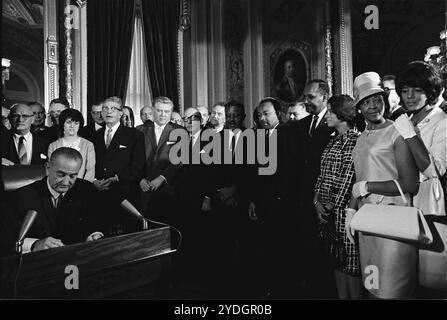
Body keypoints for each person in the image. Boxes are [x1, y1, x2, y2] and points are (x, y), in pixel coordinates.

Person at [347, 71, 418, 299]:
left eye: (378, 99)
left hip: (393, 222)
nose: (374, 106)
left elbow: (410, 183)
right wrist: (351, 210)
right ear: (359, 108)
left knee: (392, 289)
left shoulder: (397, 132)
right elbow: (358, 180)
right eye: (366, 102)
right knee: (372, 284)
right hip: (368, 222)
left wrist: (368, 187)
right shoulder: (360, 138)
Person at [0, 147, 104, 255]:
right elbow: (5, 238)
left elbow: (97, 222)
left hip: (78, 257)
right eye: (60, 175)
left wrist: (95, 234)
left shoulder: (87, 190)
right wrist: (35, 244)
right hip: (39, 261)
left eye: (73, 176)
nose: (66, 182)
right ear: (48, 167)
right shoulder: (21, 197)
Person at [313, 95, 362, 299]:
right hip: (326, 212)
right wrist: (316, 201)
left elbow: (348, 177)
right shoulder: (332, 139)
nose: (328, 115)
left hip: (344, 213)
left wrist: (331, 205)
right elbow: (321, 174)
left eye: (331, 111)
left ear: (342, 114)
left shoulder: (355, 139)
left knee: (350, 265)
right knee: (336, 260)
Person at [394, 61, 446, 216]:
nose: (410, 96)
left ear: (430, 92)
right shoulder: (406, 119)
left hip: (428, 206)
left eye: (417, 90)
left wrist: (411, 135)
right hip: (401, 202)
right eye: (405, 90)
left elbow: (434, 172)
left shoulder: (442, 121)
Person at [93, 96, 145, 212]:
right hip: (100, 194)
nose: (108, 111)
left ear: (120, 114)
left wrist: (116, 178)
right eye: (105, 108)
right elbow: (91, 164)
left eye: (113, 108)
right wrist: (95, 181)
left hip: (126, 194)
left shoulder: (135, 135)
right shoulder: (95, 136)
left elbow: (138, 165)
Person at [139, 97, 183, 223]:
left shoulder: (180, 132)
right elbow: (135, 159)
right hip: (143, 187)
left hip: (168, 190)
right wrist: (140, 178)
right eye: (159, 110)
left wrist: (162, 178)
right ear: (153, 110)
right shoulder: (140, 130)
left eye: (167, 111)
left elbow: (179, 161)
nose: (163, 114)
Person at [48, 108, 96, 181]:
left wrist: (85, 186)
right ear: (62, 123)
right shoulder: (53, 146)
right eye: (69, 122)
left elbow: (90, 170)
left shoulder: (88, 145)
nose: (72, 126)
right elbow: (52, 170)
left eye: (76, 123)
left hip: (82, 186)